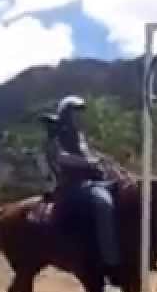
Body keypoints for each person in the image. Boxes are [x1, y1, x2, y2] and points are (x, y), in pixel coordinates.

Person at [43, 96, 122, 279]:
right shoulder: (57, 135)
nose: (78, 117)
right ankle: (111, 264)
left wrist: (110, 165)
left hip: (93, 181)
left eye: (79, 113)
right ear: (65, 114)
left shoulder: (79, 135)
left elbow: (91, 154)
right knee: (104, 203)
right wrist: (90, 161)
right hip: (73, 185)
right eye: (74, 113)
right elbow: (61, 157)